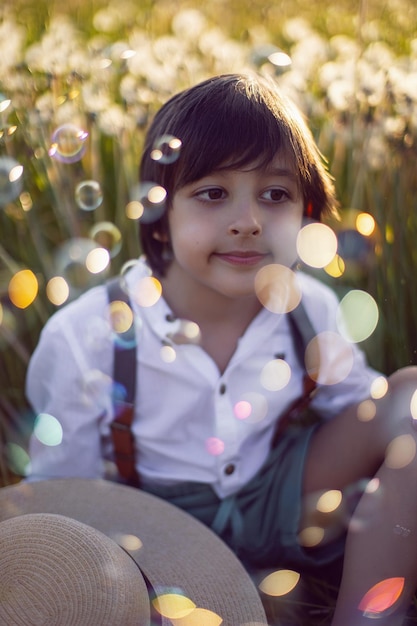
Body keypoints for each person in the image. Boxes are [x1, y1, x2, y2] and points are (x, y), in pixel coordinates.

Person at [26, 73, 417, 626]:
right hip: (153, 526)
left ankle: (366, 616)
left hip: (279, 497)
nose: (248, 222)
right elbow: (63, 497)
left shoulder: (310, 308)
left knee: (409, 401)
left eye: (275, 195)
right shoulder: (87, 335)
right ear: (160, 220)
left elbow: (364, 414)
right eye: (213, 193)